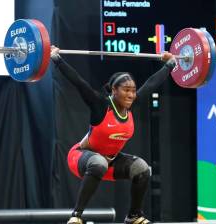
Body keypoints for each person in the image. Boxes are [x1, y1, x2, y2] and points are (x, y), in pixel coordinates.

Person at [51, 45, 176, 224]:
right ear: (114, 90)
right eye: (126, 90)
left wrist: (170, 64)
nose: (131, 94)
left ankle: (133, 216)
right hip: (80, 158)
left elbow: (151, 84)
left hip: (109, 162)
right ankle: (76, 216)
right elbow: (79, 83)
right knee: (98, 162)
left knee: (142, 169)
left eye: (133, 90)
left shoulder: (131, 106)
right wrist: (57, 59)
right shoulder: (100, 105)